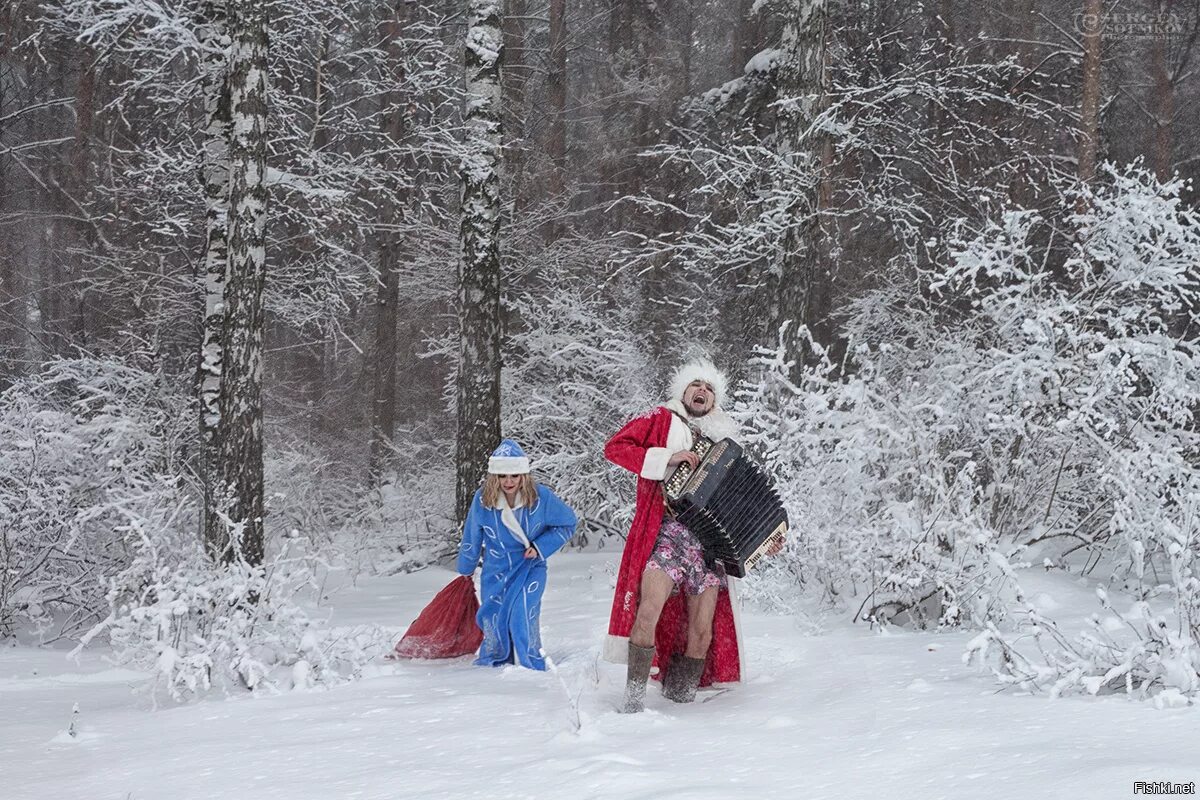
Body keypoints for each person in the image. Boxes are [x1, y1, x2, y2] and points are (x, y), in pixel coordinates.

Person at [602, 358, 745, 712]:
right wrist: (667, 457)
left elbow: (744, 500)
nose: (702, 391)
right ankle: (632, 703)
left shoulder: (724, 442)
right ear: (683, 390)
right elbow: (615, 447)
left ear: (716, 400)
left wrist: (765, 536)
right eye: (696, 384)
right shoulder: (661, 419)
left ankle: (680, 706)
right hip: (667, 534)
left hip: (708, 546)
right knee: (648, 610)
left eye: (710, 388)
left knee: (702, 632)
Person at [456, 439, 578, 671]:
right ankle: (497, 661)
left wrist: (540, 546)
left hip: (530, 565)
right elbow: (472, 535)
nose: (509, 481)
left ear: (523, 475)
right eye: (503, 476)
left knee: (521, 613)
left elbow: (568, 523)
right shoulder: (483, 500)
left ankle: (530, 662)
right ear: (495, 477)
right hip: (496, 568)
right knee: (492, 616)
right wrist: (465, 569)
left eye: (514, 475)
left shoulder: (540, 497)